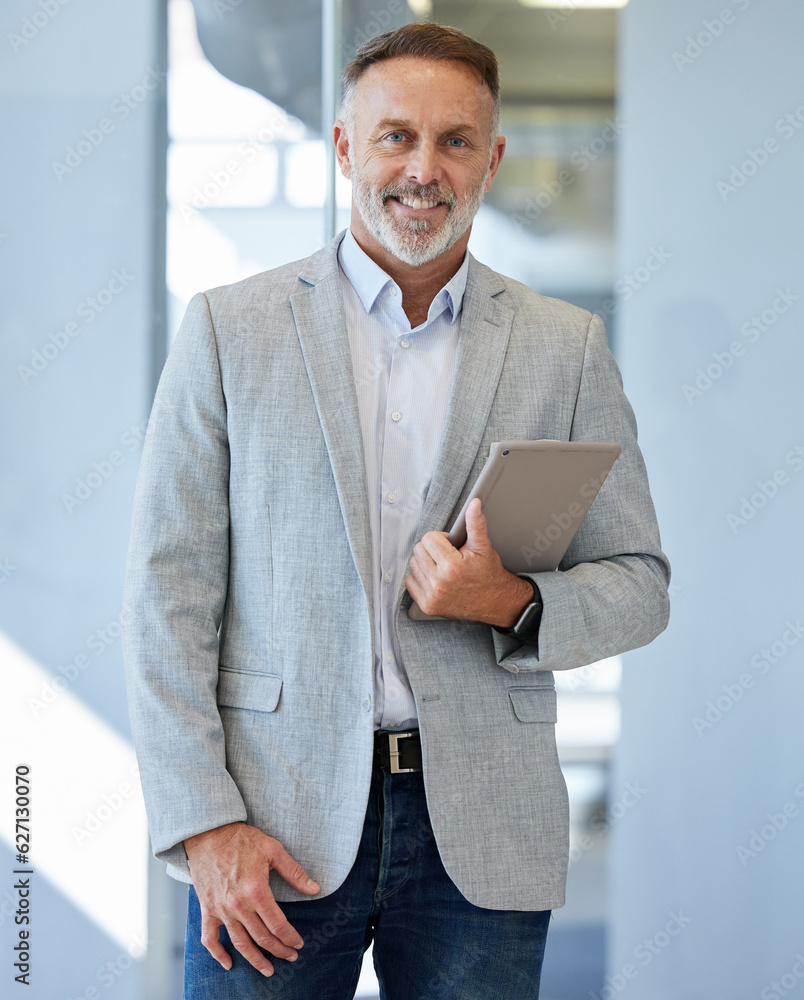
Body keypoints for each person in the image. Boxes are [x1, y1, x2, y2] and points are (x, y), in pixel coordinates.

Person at [122, 22, 670, 1000]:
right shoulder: (228, 331)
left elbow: (640, 585)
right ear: (343, 148)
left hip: (484, 831)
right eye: (395, 137)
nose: (425, 168)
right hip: (273, 822)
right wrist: (202, 821)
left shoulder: (565, 348)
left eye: (456, 141)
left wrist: (510, 601)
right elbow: (166, 601)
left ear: (492, 161)